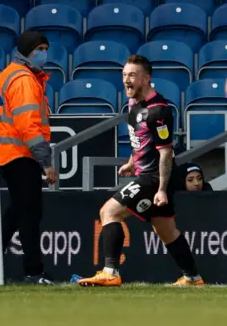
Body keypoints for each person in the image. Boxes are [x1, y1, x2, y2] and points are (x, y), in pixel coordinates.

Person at [78, 55, 204, 287]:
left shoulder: (159, 111)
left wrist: (162, 190)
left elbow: (166, 152)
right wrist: (131, 162)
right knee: (167, 231)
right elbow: (140, 140)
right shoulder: (133, 104)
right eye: (124, 75)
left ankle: (110, 272)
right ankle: (193, 278)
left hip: (155, 177)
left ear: (146, 79)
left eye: (132, 75)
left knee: (109, 212)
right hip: (146, 174)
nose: (127, 80)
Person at [0, 30, 57, 285]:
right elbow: (28, 125)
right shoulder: (23, 79)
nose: (44, 53)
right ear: (27, 51)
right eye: (39, 49)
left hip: (10, 153)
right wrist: (46, 162)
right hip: (22, 153)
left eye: (46, 48)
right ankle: (33, 271)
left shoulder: (12, 74)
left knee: (17, 211)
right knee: (30, 213)